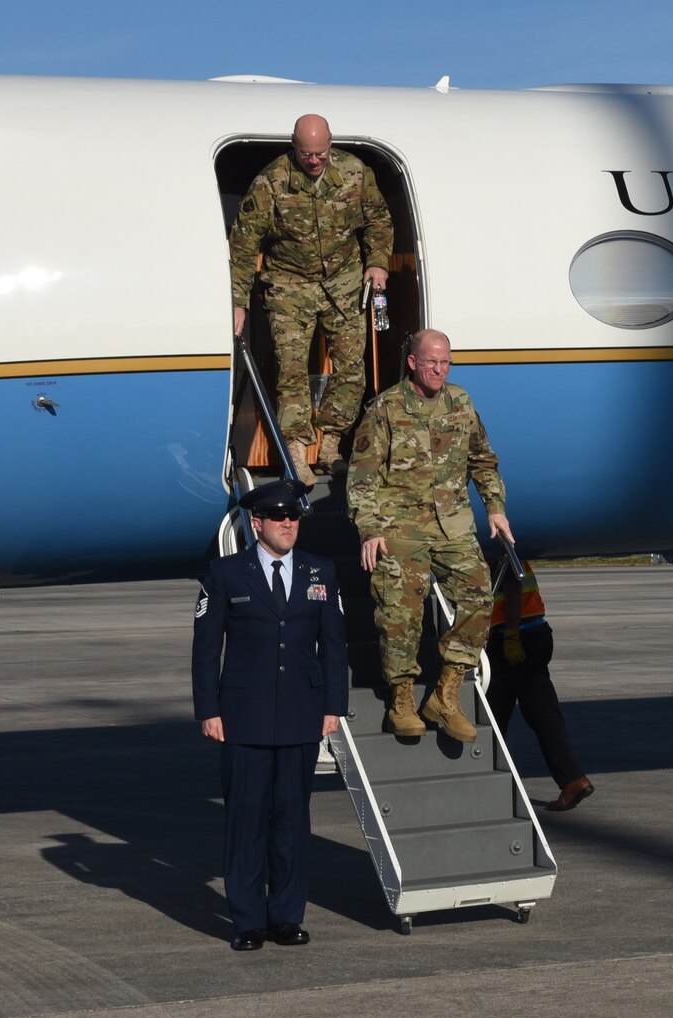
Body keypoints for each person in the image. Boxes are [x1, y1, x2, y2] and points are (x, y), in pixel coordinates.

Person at [192, 479, 348, 952]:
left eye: (294, 517)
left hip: (302, 714)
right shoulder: (224, 574)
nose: (288, 524)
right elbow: (205, 651)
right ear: (255, 523)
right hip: (243, 718)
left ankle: (286, 916)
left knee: (291, 822)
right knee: (246, 821)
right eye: (279, 518)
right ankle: (246, 921)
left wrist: (333, 705)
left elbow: (334, 644)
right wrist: (209, 710)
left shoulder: (320, 571)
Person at [349, 329, 513, 743]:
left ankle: (446, 693)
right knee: (401, 610)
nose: (439, 370)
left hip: (453, 524)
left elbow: (483, 458)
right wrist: (369, 529)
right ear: (412, 363)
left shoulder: (461, 402)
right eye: (431, 363)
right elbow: (363, 475)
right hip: (399, 525)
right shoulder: (385, 408)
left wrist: (495, 506)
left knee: (479, 596)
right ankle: (401, 700)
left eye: (445, 363)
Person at [228, 114, 393, 481]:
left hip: (344, 281)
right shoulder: (271, 182)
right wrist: (239, 301)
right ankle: (298, 454)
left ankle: (332, 442)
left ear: (331, 143)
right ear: (294, 145)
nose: (314, 161)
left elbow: (379, 221)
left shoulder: (355, 173)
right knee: (291, 373)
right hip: (290, 285)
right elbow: (243, 243)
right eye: (306, 154)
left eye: (320, 153)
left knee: (353, 367)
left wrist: (378, 263)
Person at [487, 554, 594, 810]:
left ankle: (490, 790)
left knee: (491, 719)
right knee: (544, 715)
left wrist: (511, 634)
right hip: (535, 633)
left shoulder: (492, 547)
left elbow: (512, 585)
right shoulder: (514, 546)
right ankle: (572, 779)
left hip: (512, 640)